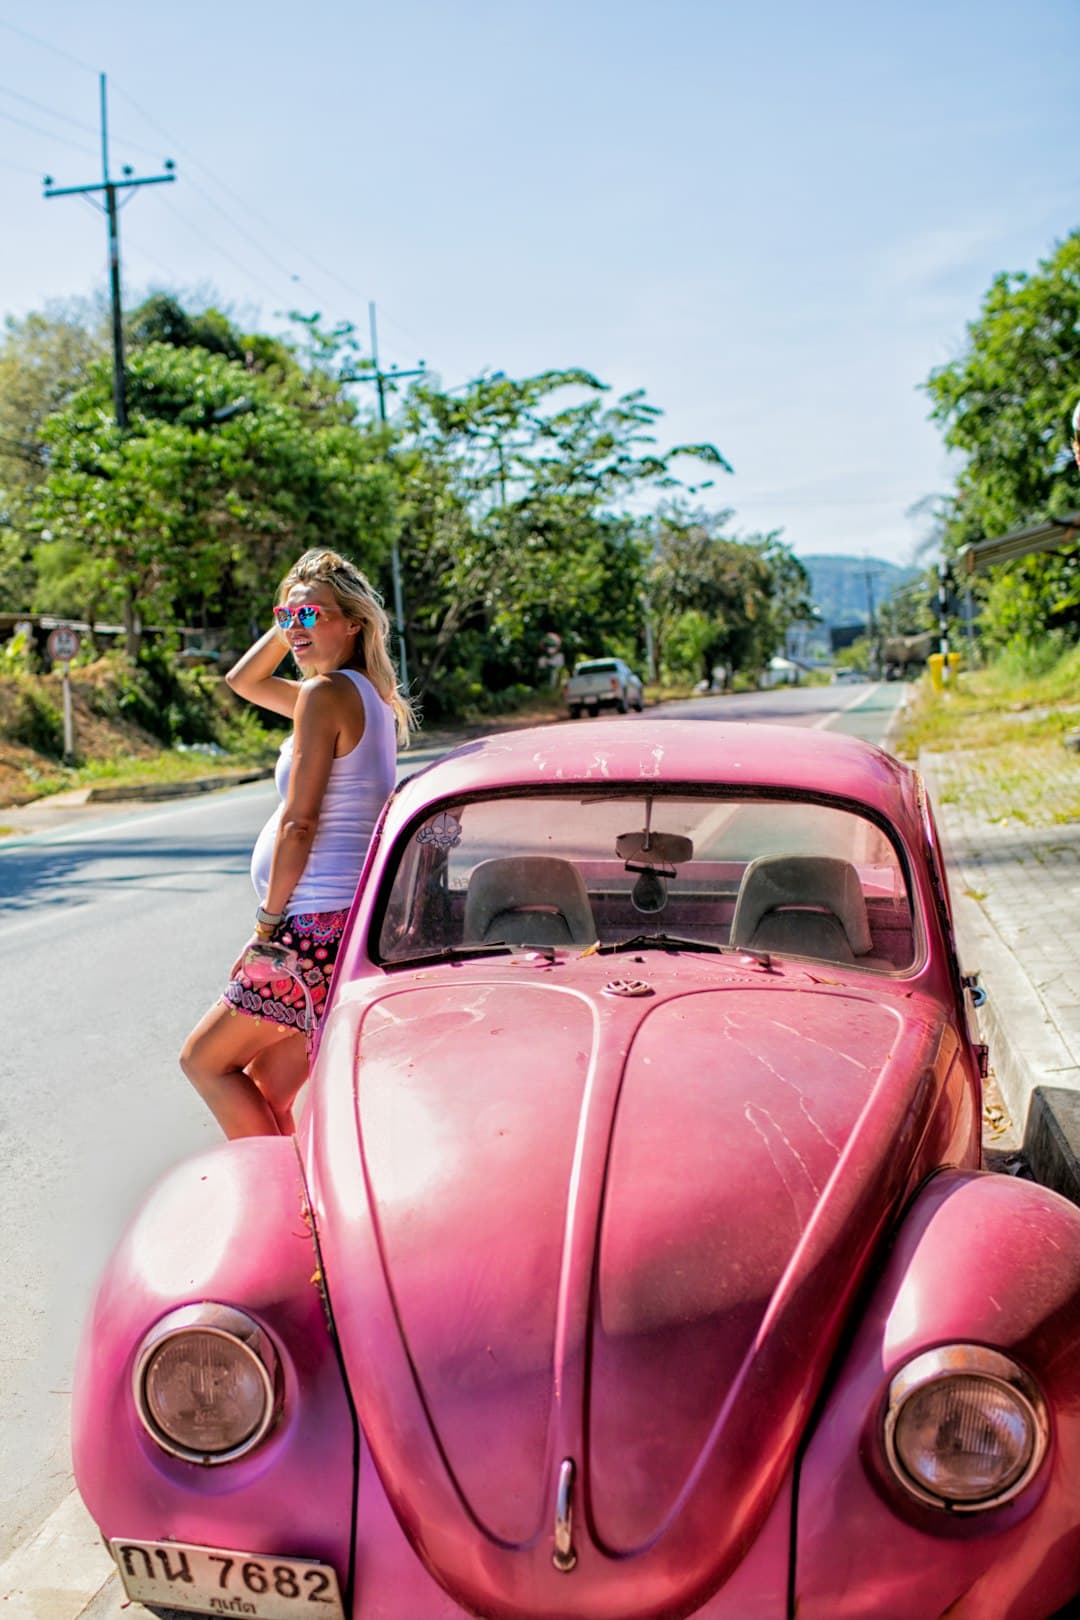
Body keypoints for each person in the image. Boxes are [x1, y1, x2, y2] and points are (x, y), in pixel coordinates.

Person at [180, 547, 412, 1138]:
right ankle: (303, 1189)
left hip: (312, 926)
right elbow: (243, 681)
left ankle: (276, 1191)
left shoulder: (326, 694)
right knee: (268, 1090)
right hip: (346, 923)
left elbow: (299, 823)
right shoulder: (363, 695)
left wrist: (267, 924)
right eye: (287, 616)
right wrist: (296, 619)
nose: (295, 626)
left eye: (311, 614)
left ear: (353, 623)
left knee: (204, 1062)